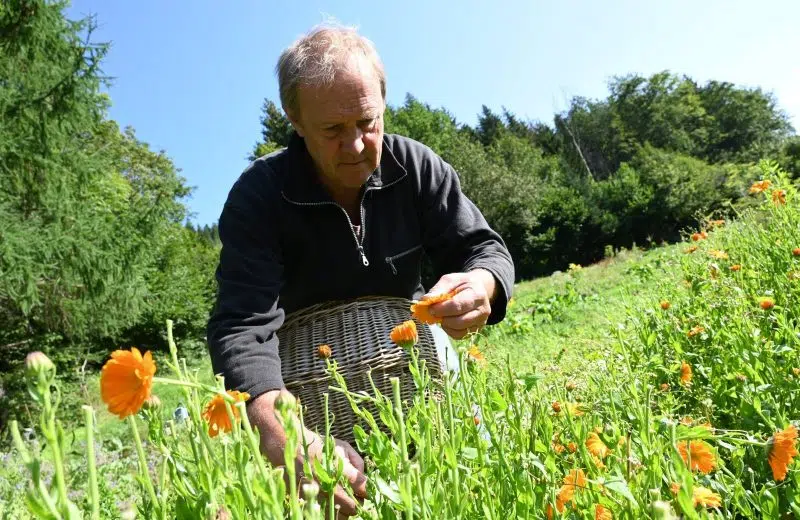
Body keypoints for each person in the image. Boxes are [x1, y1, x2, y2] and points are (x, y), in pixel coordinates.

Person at [206, 23, 515, 518]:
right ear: (295, 118)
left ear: (383, 103)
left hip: (422, 380)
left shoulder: (416, 167)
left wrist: (481, 285)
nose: (355, 146)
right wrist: (276, 427)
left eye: (368, 123)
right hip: (311, 403)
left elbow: (482, 248)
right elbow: (243, 323)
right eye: (332, 130)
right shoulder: (259, 196)